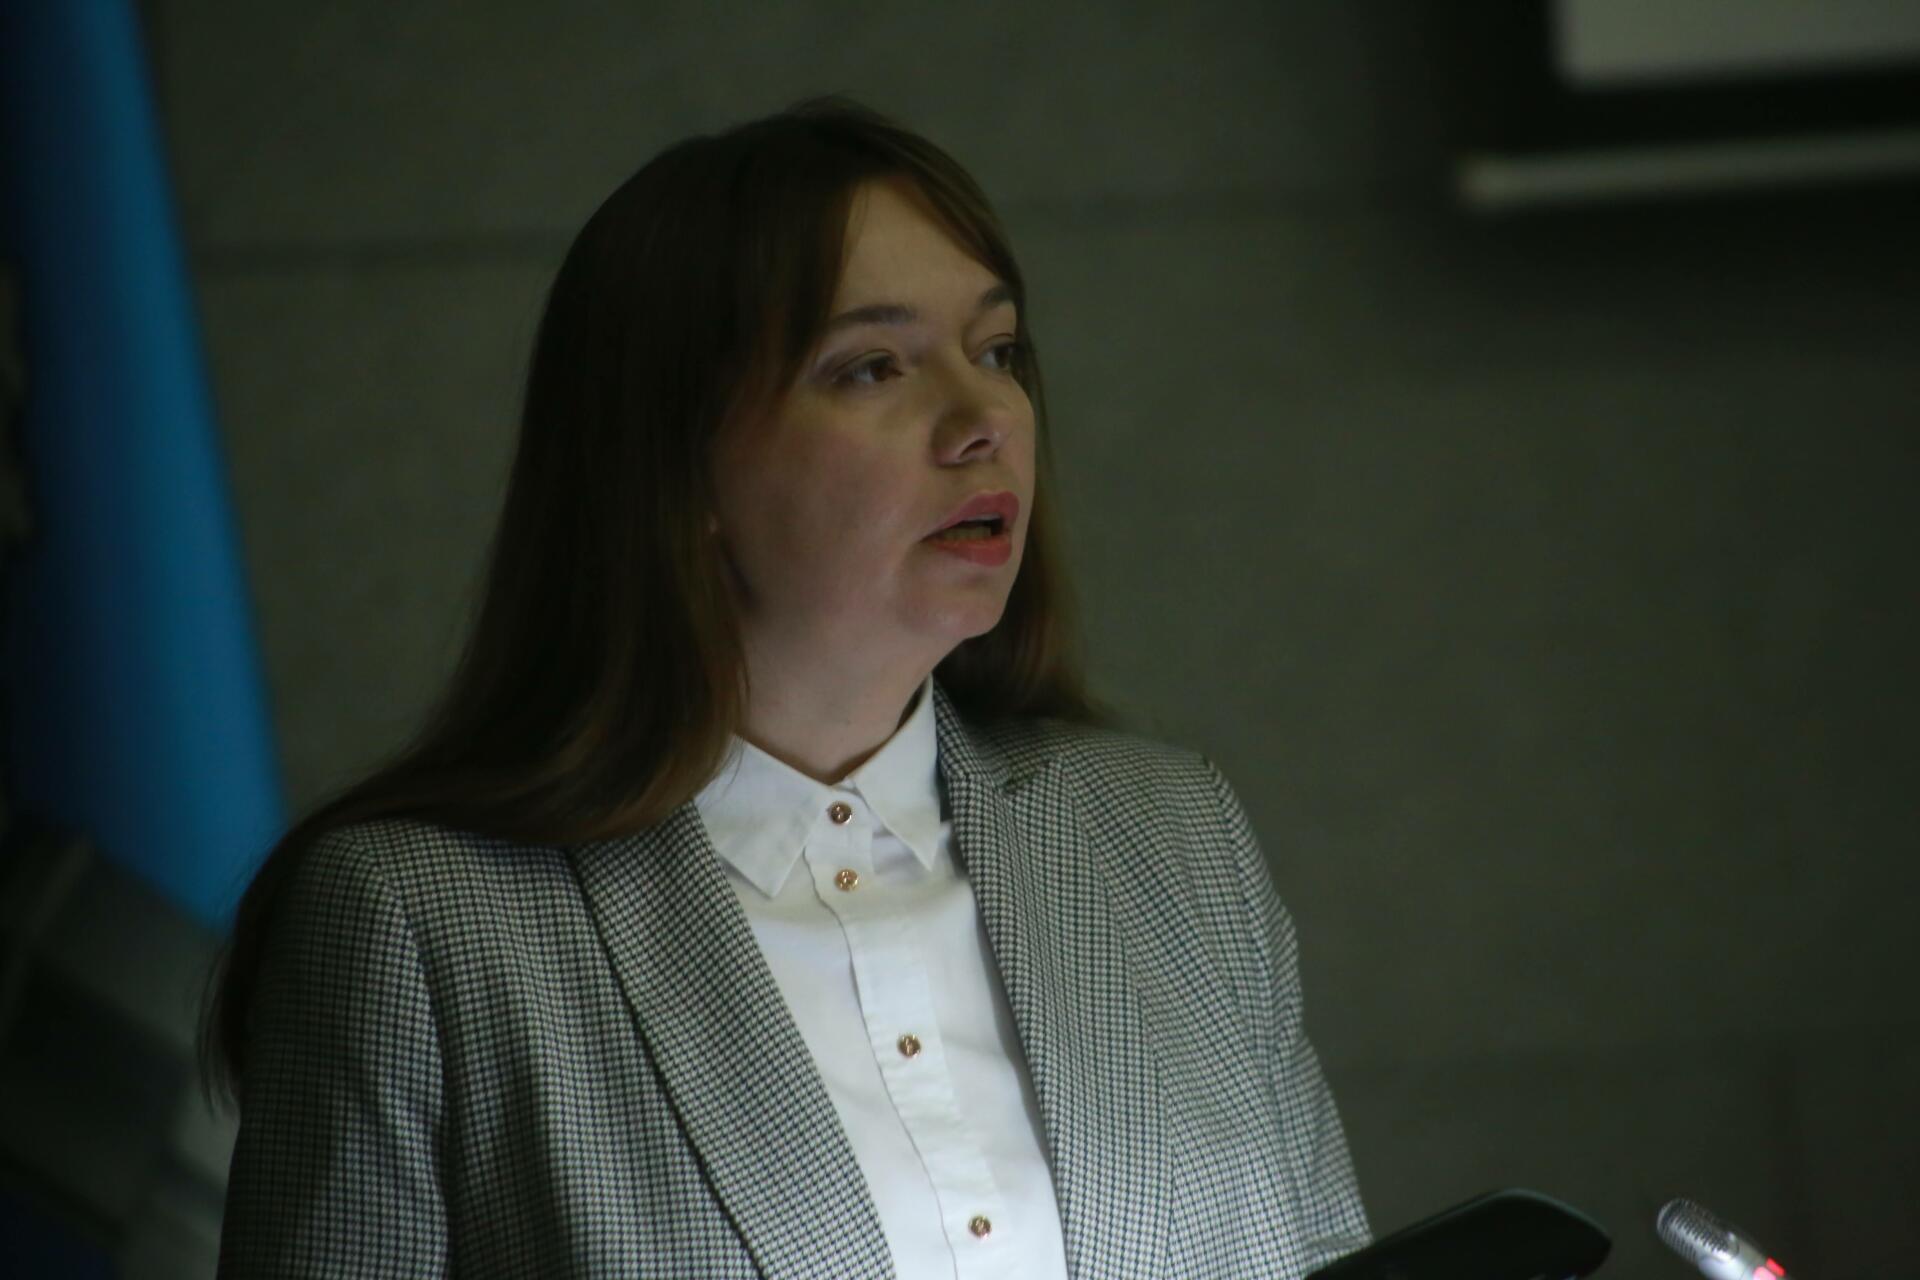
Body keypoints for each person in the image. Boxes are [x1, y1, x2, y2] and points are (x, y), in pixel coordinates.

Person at [205, 95, 1371, 1279]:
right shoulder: (417, 921)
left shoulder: (1173, 837)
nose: (984, 419)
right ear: (679, 461)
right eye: (873, 366)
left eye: (997, 350)